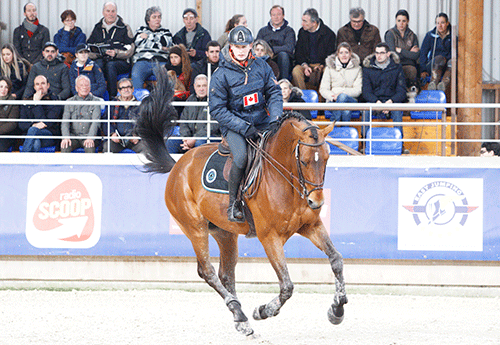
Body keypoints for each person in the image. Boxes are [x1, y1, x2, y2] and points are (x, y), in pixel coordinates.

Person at [209, 26, 283, 222]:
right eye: (237, 46)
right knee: (241, 157)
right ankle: (234, 203)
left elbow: (274, 92)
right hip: (235, 126)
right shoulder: (220, 74)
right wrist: (243, 127)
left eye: (244, 46)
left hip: (261, 120)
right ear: (231, 47)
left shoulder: (262, 66)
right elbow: (217, 110)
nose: (241, 50)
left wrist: (275, 117)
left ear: (251, 46)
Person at [87, 2, 135, 97]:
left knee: (110, 66)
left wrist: (116, 53)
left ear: (116, 12)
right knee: (96, 65)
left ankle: (112, 98)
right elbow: (88, 47)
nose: (110, 14)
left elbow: (130, 48)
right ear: (103, 12)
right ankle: (96, 97)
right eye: (108, 11)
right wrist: (99, 53)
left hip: (120, 61)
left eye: (113, 11)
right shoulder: (97, 27)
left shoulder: (124, 27)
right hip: (101, 59)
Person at [362, 43, 406, 146]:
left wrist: (391, 102)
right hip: (374, 102)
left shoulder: (397, 68)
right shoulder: (368, 69)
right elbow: (366, 91)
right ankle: (364, 144)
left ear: (388, 54)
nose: (379, 55)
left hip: (391, 101)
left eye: (382, 53)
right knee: (365, 110)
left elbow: (402, 90)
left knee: (397, 109)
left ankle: (400, 144)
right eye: (377, 53)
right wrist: (377, 102)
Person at [168, 74, 220, 154]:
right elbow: (183, 121)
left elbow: (213, 126)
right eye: (199, 86)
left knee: (200, 143)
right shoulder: (190, 100)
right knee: (171, 142)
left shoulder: (214, 100)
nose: (201, 89)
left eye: (204, 86)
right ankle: (172, 166)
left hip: (209, 137)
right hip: (190, 138)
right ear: (194, 87)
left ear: (209, 86)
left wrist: (195, 138)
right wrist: (186, 139)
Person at [292, 8, 336, 91]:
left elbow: (331, 55)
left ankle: (321, 99)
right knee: (296, 71)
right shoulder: (302, 32)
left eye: (305, 21)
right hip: (306, 64)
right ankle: (304, 97)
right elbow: (298, 52)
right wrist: (305, 66)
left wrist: (322, 65)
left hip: (322, 64)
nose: (302, 24)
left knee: (328, 71)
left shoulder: (329, 34)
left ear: (314, 23)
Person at [131, 6, 174, 90]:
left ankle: (162, 100)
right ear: (148, 20)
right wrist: (159, 45)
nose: (157, 19)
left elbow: (165, 42)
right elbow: (137, 42)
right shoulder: (140, 29)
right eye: (154, 17)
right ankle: (140, 100)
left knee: (164, 78)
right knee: (135, 75)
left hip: (160, 61)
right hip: (142, 61)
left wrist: (148, 38)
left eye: (159, 17)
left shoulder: (166, 32)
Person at [18, 75, 63, 152]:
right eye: (37, 84)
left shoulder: (55, 101)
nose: (40, 86)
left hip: (48, 136)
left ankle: (23, 159)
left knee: (33, 130)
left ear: (48, 85)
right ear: (34, 87)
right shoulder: (27, 101)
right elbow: (21, 124)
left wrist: (36, 104)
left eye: (43, 83)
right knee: (35, 142)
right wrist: (33, 125)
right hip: (31, 136)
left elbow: (47, 124)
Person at [319, 42, 362, 122]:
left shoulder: (357, 69)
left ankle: (333, 127)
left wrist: (341, 94)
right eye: (341, 53)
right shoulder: (329, 68)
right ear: (337, 55)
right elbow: (323, 89)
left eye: (346, 52)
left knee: (342, 97)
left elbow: (358, 90)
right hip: (332, 100)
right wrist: (333, 97)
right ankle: (345, 133)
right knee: (346, 111)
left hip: (350, 100)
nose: (344, 55)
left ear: (350, 54)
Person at [60, 75, 103, 153]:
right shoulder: (69, 102)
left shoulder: (96, 102)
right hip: (73, 137)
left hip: (88, 136)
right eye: (81, 85)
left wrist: (90, 138)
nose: (84, 87)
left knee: (90, 147)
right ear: (76, 88)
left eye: (86, 85)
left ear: (90, 87)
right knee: (65, 146)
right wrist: (65, 137)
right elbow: (65, 122)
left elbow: (96, 122)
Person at [102, 78, 144, 153]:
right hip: (117, 140)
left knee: (146, 148)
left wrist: (138, 136)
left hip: (134, 140)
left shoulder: (140, 105)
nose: (126, 90)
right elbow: (105, 122)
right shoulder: (112, 104)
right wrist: (112, 134)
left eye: (128, 87)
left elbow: (145, 124)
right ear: (119, 91)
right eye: (123, 88)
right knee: (107, 147)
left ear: (133, 89)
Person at [256, 5, 295, 81]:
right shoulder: (263, 31)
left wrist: (271, 49)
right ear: (270, 16)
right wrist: (267, 52)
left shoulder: (289, 31)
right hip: (266, 57)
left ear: (283, 16)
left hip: (282, 59)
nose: (276, 17)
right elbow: (257, 46)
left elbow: (289, 47)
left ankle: (284, 83)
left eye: (278, 14)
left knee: (283, 55)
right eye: (273, 15)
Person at [384, 9, 419, 91]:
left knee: (412, 70)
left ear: (408, 21)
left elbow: (416, 56)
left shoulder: (412, 35)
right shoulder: (390, 34)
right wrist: (409, 53)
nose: (401, 23)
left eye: (404, 21)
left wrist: (401, 51)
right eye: (399, 20)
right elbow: (392, 54)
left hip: (409, 66)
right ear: (396, 21)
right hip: (394, 65)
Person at [419, 13, 452, 91]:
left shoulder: (452, 37)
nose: (440, 25)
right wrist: (423, 70)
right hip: (434, 65)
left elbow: (455, 54)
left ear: (447, 23)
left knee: (452, 62)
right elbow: (423, 53)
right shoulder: (430, 36)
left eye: (442, 23)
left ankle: (443, 84)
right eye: (437, 23)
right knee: (440, 58)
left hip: (447, 67)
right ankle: (433, 83)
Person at [0, 77, 20, 152]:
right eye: (1, 86)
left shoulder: (13, 102)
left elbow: (12, 123)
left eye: (6, 87)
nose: (3, 90)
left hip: (5, 135)